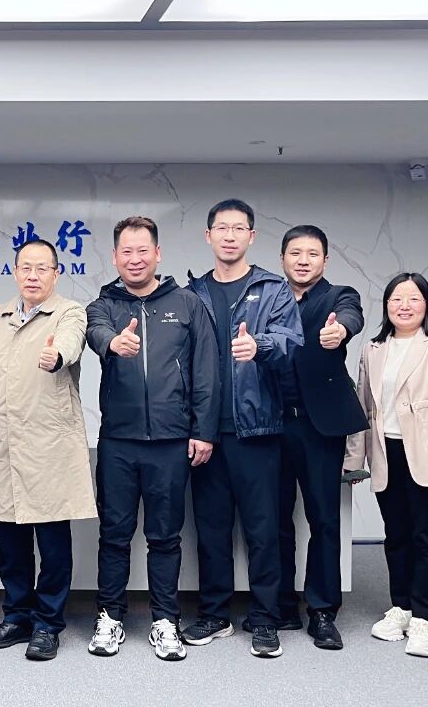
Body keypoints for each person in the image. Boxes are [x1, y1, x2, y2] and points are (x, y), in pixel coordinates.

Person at [84, 217, 219, 662]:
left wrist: (202, 430)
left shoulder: (187, 303)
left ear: (158, 253)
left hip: (170, 440)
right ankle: (110, 617)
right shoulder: (103, 305)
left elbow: (205, 371)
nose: (135, 259)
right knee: (114, 534)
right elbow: (96, 333)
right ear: (114, 257)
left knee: (165, 537)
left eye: (143, 250)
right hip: (119, 441)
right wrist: (113, 344)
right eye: (126, 251)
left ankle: (165, 620)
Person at [185, 198, 303, 659]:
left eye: (239, 228)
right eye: (222, 228)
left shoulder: (273, 289)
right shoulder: (193, 293)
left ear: (252, 236)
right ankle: (214, 614)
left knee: (263, 529)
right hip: (206, 433)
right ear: (208, 235)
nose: (230, 235)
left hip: (258, 429)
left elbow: (292, 342)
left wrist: (261, 346)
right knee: (211, 529)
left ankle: (266, 617)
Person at [0, 238, 97, 662]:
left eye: (42, 268)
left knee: (53, 546)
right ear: (15, 272)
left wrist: (56, 355)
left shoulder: (69, 312)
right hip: (6, 444)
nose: (33, 275)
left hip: (50, 446)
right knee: (11, 544)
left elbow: (71, 342)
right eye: (26, 267)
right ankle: (17, 617)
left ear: (56, 274)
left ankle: (48, 624)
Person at [343, 272, 428, 658]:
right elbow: (363, 407)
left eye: (414, 299)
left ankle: (425, 619)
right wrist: (354, 459)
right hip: (386, 452)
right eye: (396, 299)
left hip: (426, 452)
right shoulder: (373, 349)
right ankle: (401, 607)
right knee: (396, 535)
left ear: (426, 305)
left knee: (427, 536)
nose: (404, 306)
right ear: (386, 305)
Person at [275, 225, 369, 650]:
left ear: (325, 260)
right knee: (274, 518)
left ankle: (323, 611)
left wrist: (340, 332)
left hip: (319, 427)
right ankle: (281, 604)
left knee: (324, 520)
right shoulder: (268, 298)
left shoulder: (339, 297)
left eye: (312, 253)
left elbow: (352, 317)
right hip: (271, 424)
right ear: (283, 259)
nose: (303, 260)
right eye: (295, 252)